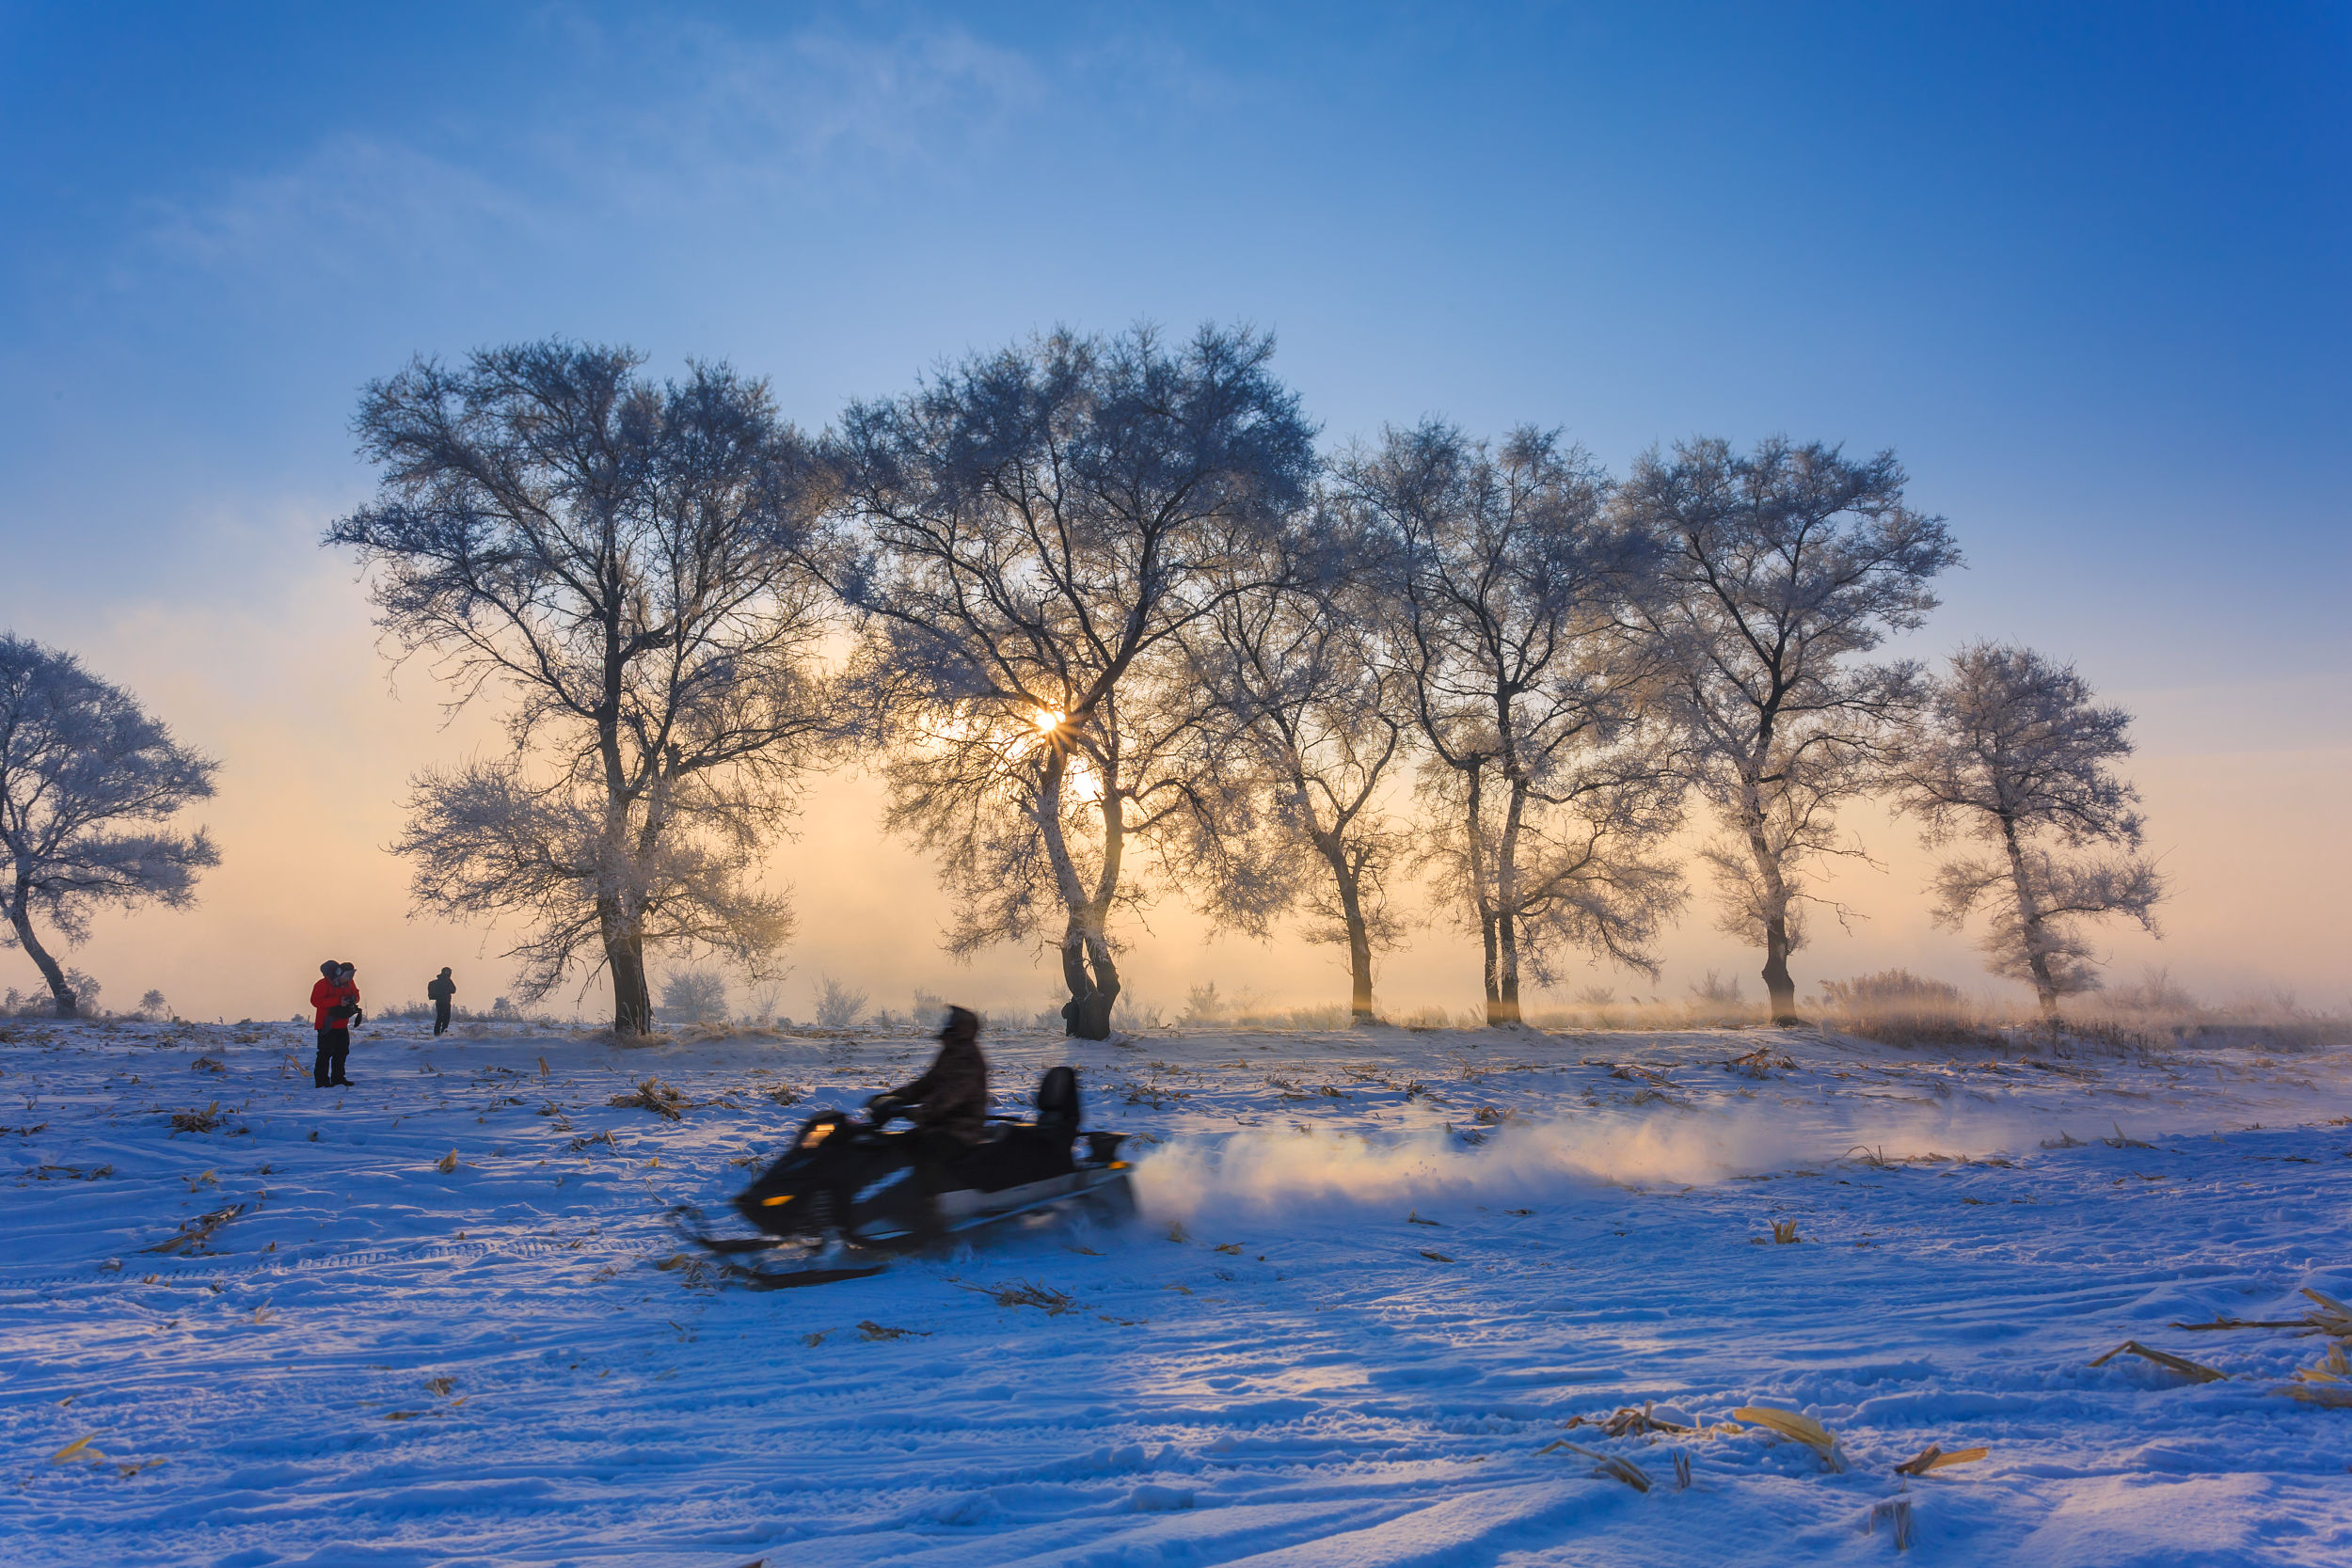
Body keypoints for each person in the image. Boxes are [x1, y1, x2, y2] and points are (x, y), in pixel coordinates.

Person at [866, 1006, 989, 1166]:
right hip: (938, 1127)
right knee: (895, 1148)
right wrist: (892, 1097)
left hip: (960, 1131)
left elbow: (953, 1095)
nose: (947, 1024)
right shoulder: (951, 1054)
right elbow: (927, 1084)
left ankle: (931, 1192)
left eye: (951, 1022)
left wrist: (919, 1111)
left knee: (922, 1159)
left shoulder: (968, 1059)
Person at [310, 960, 361, 1089]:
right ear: (338, 973)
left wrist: (353, 999)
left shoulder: (349, 983)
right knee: (325, 1053)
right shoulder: (322, 984)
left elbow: (356, 994)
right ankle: (322, 1082)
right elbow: (315, 1001)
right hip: (326, 1025)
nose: (349, 979)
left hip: (342, 1025)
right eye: (347, 975)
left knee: (342, 1052)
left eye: (351, 975)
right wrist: (337, 1001)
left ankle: (338, 1079)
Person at [427, 967, 456, 1037]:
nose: (448, 974)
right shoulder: (442, 981)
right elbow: (453, 990)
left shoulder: (448, 981)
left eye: (448, 972)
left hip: (446, 1002)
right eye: (447, 972)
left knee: (445, 1018)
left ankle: (443, 1033)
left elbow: (453, 990)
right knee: (441, 1018)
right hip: (441, 1002)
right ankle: (438, 1034)